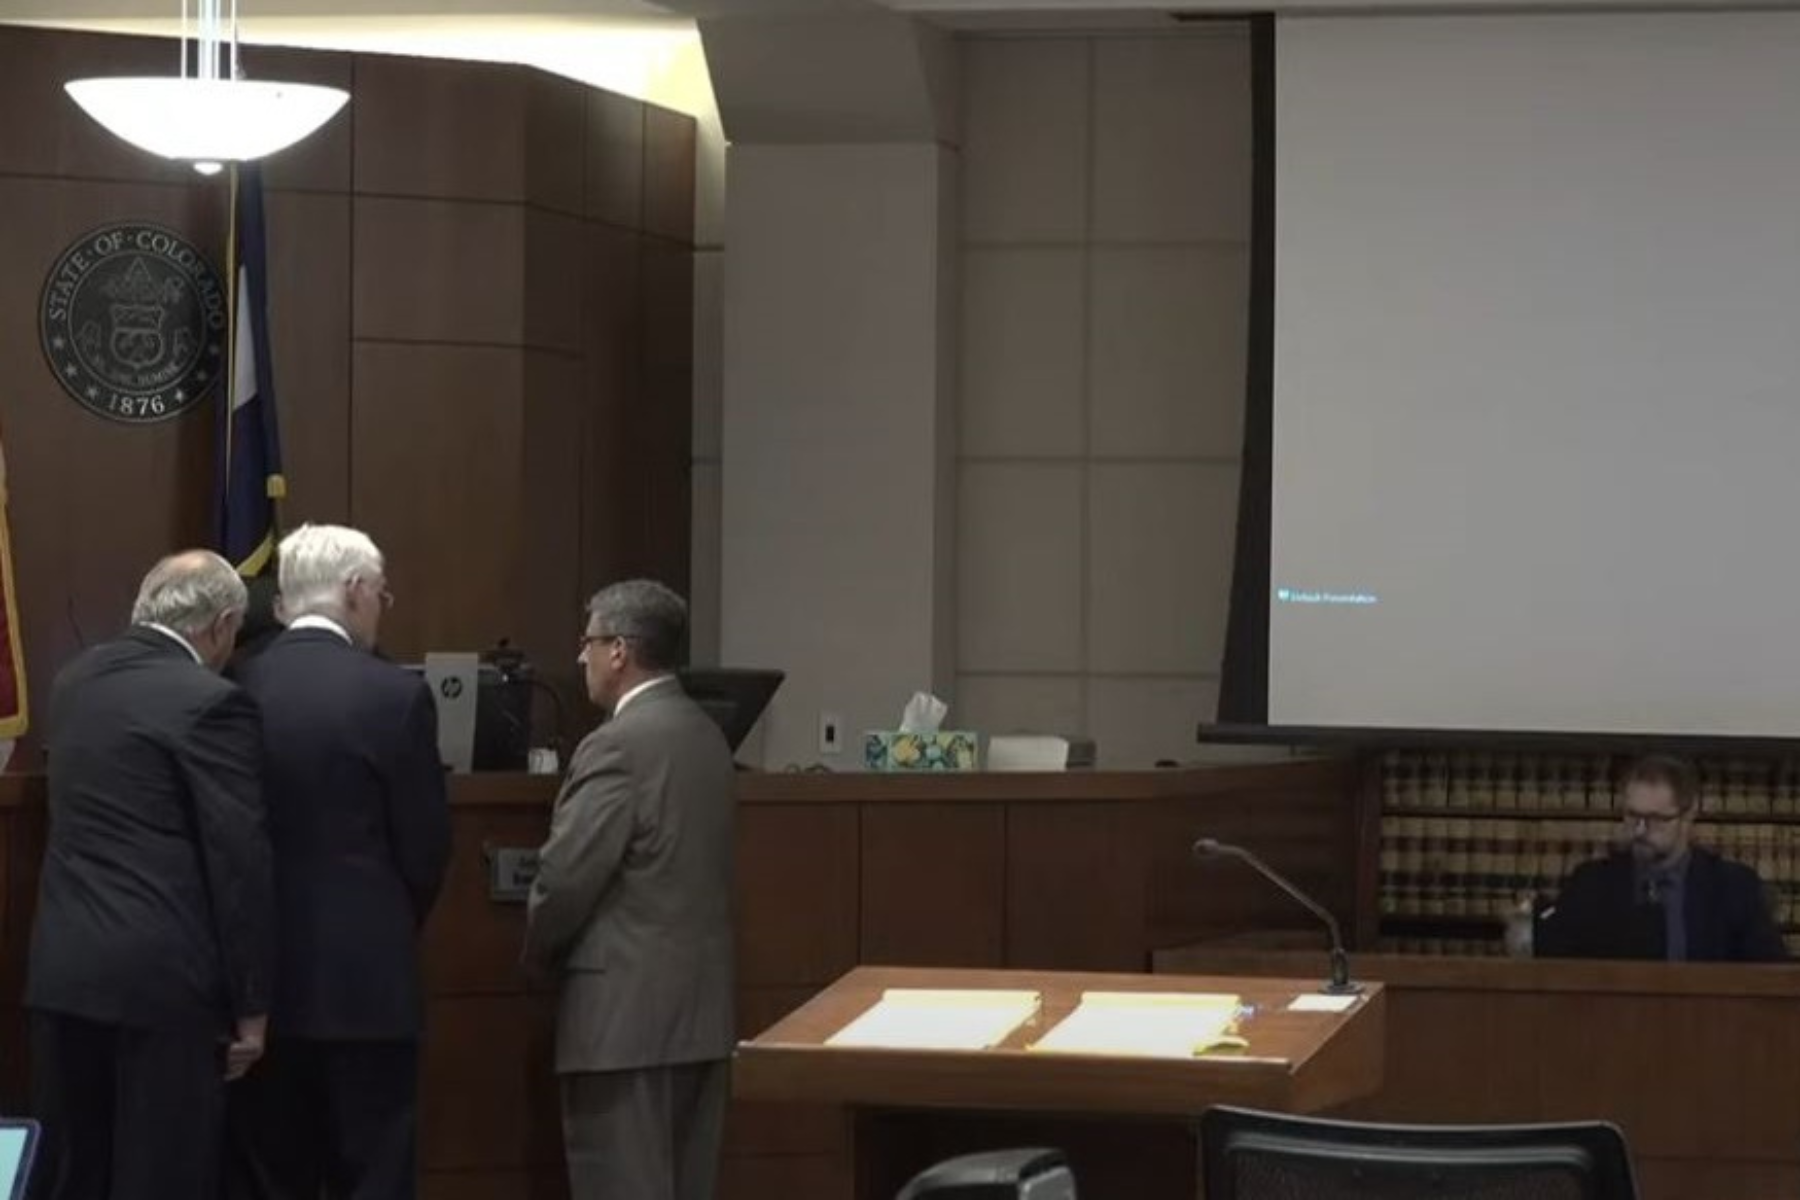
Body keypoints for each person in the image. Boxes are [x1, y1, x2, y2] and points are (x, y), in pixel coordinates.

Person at [26, 550, 273, 1200]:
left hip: (65, 975)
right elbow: (237, 859)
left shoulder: (74, 682)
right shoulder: (212, 703)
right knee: (162, 1179)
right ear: (221, 626)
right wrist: (252, 1007)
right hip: (162, 989)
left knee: (74, 1177)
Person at [227, 525, 451, 1200]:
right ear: (354, 592)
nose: (383, 607)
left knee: (270, 1176)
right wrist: (383, 922)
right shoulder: (394, 693)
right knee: (375, 1174)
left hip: (258, 989)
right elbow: (425, 848)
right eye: (381, 594)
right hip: (368, 986)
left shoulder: (233, 686)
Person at [524, 580, 735, 1200]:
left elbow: (565, 880)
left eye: (588, 642)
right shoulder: (708, 738)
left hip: (620, 1030)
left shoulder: (616, 745)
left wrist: (536, 956)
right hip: (700, 1021)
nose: (580, 657)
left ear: (619, 651)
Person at [1535, 754, 1785, 962]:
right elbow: (1555, 965)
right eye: (1633, 816)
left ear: (1688, 816)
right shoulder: (1591, 882)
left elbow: (1771, 977)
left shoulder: (1734, 887)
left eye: (1656, 819)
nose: (1641, 830)